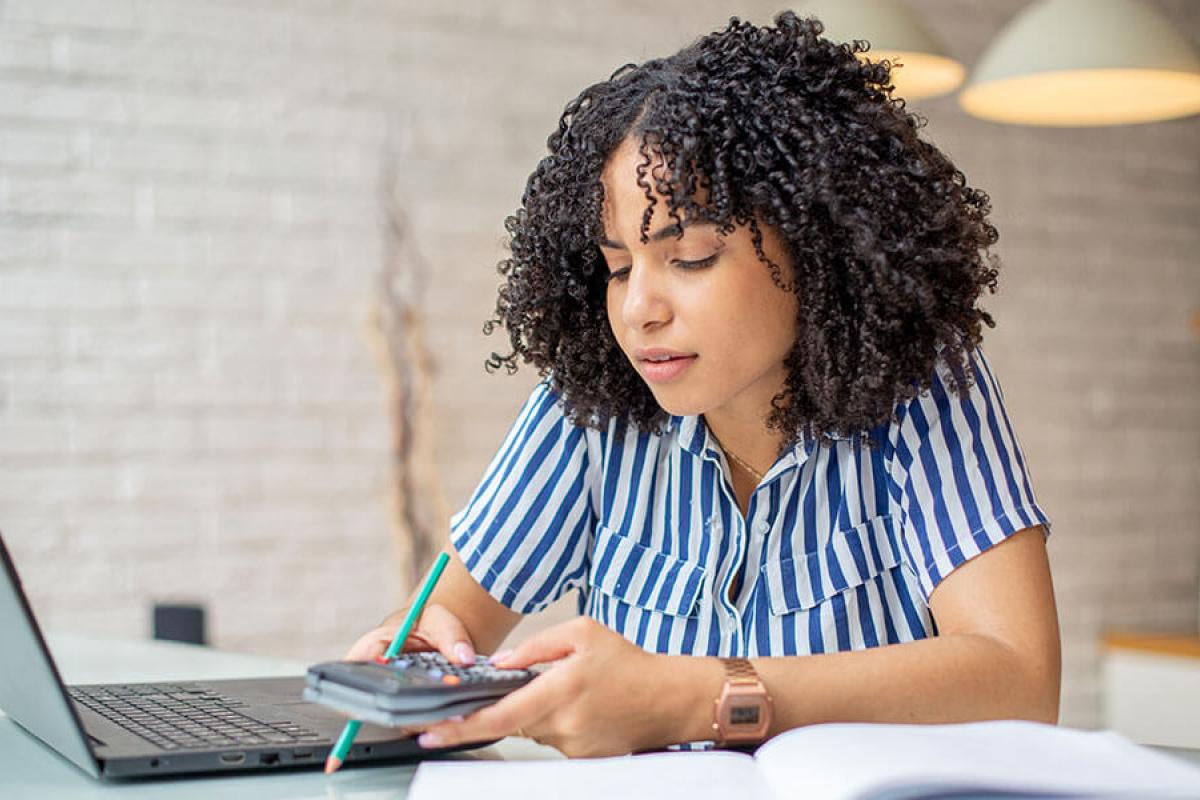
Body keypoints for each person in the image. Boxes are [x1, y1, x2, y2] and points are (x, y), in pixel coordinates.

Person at [346, 12, 1060, 757]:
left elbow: (1019, 680)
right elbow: (448, 621)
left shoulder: (922, 391)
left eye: (688, 258)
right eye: (618, 267)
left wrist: (694, 697)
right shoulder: (591, 409)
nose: (637, 310)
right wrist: (423, 658)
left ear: (818, 247)